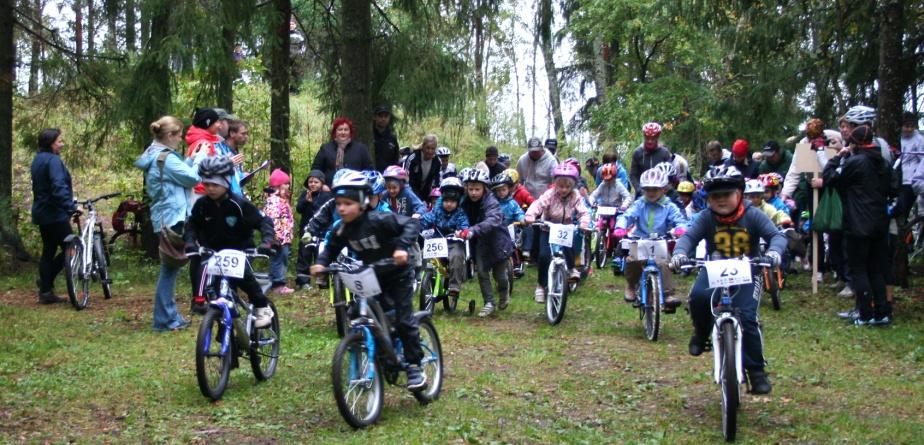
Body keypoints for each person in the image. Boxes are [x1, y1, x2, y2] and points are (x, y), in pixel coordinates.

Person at [671, 165, 786, 395]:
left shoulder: (752, 214)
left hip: (748, 270)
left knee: (747, 315)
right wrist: (679, 253)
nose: (721, 200)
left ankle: (756, 371)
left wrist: (774, 253)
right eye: (715, 196)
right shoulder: (706, 217)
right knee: (698, 297)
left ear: (739, 194)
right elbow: (689, 237)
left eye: (727, 194)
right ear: (708, 199)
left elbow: (775, 235)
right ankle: (701, 332)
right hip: (714, 268)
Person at [309, 171, 427, 389]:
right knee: (358, 314)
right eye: (338, 203)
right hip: (372, 275)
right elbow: (332, 247)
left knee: (403, 319)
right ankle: (377, 350)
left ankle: (414, 365)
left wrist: (401, 248)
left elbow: (411, 224)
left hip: (398, 272)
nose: (341, 208)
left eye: (348, 203)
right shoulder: (342, 228)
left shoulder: (380, 219)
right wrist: (321, 262)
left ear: (362, 203)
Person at [184, 156, 276, 328]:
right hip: (214, 253)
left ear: (227, 182)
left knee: (243, 277)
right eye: (207, 184)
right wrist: (190, 242)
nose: (210, 189)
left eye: (215, 185)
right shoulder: (202, 205)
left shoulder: (240, 204)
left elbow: (264, 222)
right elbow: (192, 225)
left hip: (240, 250)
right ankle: (222, 323)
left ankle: (262, 306)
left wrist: (266, 243)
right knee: (217, 291)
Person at [135, 117, 202, 329]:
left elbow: (177, 174)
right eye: (179, 135)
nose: (181, 139)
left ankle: (169, 316)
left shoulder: (154, 154)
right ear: (170, 136)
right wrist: (199, 160)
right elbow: (192, 179)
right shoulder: (165, 157)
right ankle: (165, 319)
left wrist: (190, 160)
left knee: (170, 268)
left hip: (164, 215)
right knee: (169, 270)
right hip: (173, 217)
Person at [823, 125, 893, 326]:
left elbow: (831, 178)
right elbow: (892, 188)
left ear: (854, 144)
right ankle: (882, 312)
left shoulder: (856, 162)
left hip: (858, 223)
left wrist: (838, 157)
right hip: (880, 223)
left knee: (859, 269)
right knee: (876, 269)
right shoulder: (883, 163)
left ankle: (864, 312)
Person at [614, 168, 686, 309]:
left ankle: (668, 293)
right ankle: (631, 285)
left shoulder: (669, 206)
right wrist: (620, 227)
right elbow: (627, 215)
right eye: (648, 190)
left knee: (664, 263)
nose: (651, 193)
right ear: (643, 190)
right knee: (632, 260)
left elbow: (679, 219)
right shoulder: (640, 203)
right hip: (640, 239)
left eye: (655, 189)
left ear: (663, 189)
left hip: (660, 240)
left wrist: (680, 228)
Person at [524, 163, 591, 302]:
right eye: (560, 186)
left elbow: (583, 211)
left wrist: (584, 222)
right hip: (548, 228)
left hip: (565, 227)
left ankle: (572, 268)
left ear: (573, 185)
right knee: (543, 256)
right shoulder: (550, 194)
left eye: (567, 186)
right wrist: (531, 215)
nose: (564, 189)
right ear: (555, 184)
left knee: (569, 248)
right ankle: (541, 286)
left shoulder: (576, 195)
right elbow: (538, 204)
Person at [459, 168, 514, 316]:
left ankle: (504, 292)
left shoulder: (492, 201)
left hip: (497, 242)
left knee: (500, 276)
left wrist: (472, 230)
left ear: (484, 188)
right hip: (479, 242)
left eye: (477, 189)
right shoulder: (463, 200)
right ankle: (489, 302)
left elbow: (493, 220)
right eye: (470, 189)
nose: (473, 192)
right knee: (482, 272)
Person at [31, 128, 77, 304]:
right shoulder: (53, 161)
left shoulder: (37, 160)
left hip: (41, 212)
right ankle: (45, 282)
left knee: (49, 250)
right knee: (72, 248)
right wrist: (70, 207)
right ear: (51, 143)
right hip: (55, 213)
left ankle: (45, 291)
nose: (62, 144)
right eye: (59, 141)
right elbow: (58, 187)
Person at [420, 177, 470, 298]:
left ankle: (454, 286)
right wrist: (417, 224)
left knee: (457, 256)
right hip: (437, 241)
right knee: (424, 255)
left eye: (452, 201)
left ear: (457, 202)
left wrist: (462, 232)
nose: (448, 204)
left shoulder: (461, 213)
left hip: (454, 242)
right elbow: (427, 219)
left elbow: (464, 226)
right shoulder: (437, 211)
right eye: (446, 201)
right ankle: (425, 279)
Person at [294, 170, 332, 290]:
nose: (313, 184)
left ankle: (323, 280)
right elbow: (299, 209)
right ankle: (303, 281)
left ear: (322, 183)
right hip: (306, 231)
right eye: (310, 182)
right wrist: (306, 201)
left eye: (316, 182)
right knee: (304, 255)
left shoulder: (327, 196)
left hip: (322, 231)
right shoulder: (305, 194)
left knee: (320, 254)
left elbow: (327, 212)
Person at [311, 117, 374, 186]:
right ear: (335, 132)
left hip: (355, 190)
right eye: (340, 130)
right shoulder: (325, 149)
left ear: (350, 132)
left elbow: (369, 170)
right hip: (329, 191)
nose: (343, 132)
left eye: (346, 130)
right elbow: (315, 170)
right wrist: (322, 185)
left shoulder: (361, 149)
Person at [264, 169, 295, 294]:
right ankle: (278, 284)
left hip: (284, 236)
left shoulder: (282, 199)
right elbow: (273, 219)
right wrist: (275, 236)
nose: (288, 186)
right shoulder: (274, 201)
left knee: (282, 258)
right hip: (279, 238)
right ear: (279, 185)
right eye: (286, 183)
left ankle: (275, 281)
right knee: (279, 259)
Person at [629, 122, 673, 194]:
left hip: (661, 192)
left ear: (657, 137)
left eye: (653, 138)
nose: (650, 141)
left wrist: (664, 189)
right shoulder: (637, 153)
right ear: (644, 136)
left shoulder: (664, 152)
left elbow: (670, 174)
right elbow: (633, 175)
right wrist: (639, 189)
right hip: (642, 191)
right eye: (647, 138)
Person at [589, 163, 633, 235]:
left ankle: (619, 240)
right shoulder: (603, 184)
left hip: (616, 210)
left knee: (620, 223)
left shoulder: (618, 185)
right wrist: (591, 202)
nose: (607, 181)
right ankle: (599, 238)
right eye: (605, 179)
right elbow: (593, 195)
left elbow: (628, 196)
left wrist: (624, 205)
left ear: (614, 177)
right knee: (597, 225)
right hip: (604, 211)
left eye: (610, 179)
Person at [403, 134, 442, 201]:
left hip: (426, 192)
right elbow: (407, 181)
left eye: (432, 149)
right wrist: (418, 200)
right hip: (410, 192)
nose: (430, 151)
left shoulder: (437, 161)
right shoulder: (413, 158)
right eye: (428, 148)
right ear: (423, 146)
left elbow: (436, 181)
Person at [373, 105, 400, 173]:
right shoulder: (370, 136)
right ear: (375, 117)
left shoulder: (392, 138)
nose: (383, 119)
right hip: (371, 175)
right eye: (380, 116)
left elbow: (396, 159)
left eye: (386, 116)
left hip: (388, 176)